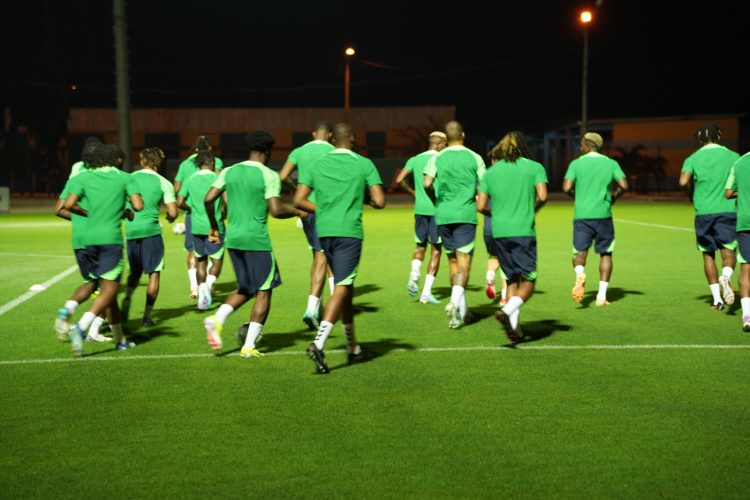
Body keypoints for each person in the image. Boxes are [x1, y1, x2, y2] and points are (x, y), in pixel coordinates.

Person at [294, 123, 385, 374]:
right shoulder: (364, 163)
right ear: (353, 139)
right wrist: (360, 198)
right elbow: (379, 201)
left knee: (347, 289)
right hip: (349, 233)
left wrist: (324, 210)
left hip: (324, 231)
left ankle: (353, 347)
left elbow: (298, 200)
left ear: (333, 139)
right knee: (342, 286)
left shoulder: (318, 164)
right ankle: (318, 343)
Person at [202, 131, 301, 358]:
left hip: (234, 239)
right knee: (264, 291)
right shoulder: (268, 175)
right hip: (256, 240)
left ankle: (216, 319)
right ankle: (248, 347)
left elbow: (208, 199)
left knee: (246, 288)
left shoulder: (229, 171)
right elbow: (276, 210)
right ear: (268, 151)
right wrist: (297, 210)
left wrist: (214, 226)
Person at [62, 143, 144, 356]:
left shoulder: (82, 177)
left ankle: (120, 341)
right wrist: (122, 210)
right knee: (110, 290)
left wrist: (88, 213)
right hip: (111, 239)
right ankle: (80, 327)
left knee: (106, 293)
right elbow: (138, 206)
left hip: (89, 239)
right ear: (116, 159)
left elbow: (68, 204)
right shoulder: (125, 177)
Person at [477, 131, 548, 344]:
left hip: (500, 232)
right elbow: (543, 196)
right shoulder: (535, 167)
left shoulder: (490, 172)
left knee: (512, 279)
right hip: (523, 231)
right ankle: (507, 311)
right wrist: (530, 210)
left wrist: (496, 215)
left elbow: (480, 206)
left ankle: (515, 330)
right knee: (529, 281)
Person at [423, 121, 486, 329]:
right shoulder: (474, 157)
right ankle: (454, 302)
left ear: (446, 139)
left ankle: (462, 312)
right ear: (463, 135)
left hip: (443, 214)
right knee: (464, 264)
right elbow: (484, 185)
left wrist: (437, 200)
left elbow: (426, 184)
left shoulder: (437, 157)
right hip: (465, 215)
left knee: (453, 264)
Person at [279, 121, 335, 328]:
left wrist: (297, 189)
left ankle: (320, 304)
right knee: (325, 256)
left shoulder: (299, 151)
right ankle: (313, 308)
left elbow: (283, 176)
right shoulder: (334, 151)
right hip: (325, 209)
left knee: (318, 254)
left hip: (305, 210)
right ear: (329, 135)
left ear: (313, 134)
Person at [53, 138, 110, 343]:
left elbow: (59, 209)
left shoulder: (75, 178)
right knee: (108, 285)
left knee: (92, 282)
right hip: (103, 236)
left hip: (79, 237)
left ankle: (66, 311)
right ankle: (92, 331)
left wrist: (79, 217)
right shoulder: (107, 177)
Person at [562, 132, 628, 306]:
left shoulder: (576, 164)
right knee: (606, 254)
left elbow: (566, 187)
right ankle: (601, 296)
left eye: (581, 143)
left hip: (582, 216)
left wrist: (578, 197)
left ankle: (580, 272)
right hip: (603, 215)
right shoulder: (610, 163)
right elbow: (624, 185)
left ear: (586, 144)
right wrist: (613, 197)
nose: (580, 146)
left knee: (579, 253)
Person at [679, 124, 740, 310]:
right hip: (727, 209)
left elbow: (683, 181)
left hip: (703, 211)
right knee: (728, 253)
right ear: (719, 136)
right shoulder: (733, 156)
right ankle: (727, 276)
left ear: (699, 140)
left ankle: (717, 300)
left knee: (708, 254)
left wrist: (691, 195)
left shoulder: (693, 158)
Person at [121, 147, 178, 326]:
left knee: (134, 272)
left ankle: (127, 301)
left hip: (131, 231)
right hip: (151, 232)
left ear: (142, 160)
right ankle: (146, 316)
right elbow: (173, 213)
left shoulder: (129, 178)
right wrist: (170, 217)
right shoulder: (164, 182)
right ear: (158, 162)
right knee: (154, 274)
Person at [394, 131, 446, 304]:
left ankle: (414, 275)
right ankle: (426, 293)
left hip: (420, 210)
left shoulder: (415, 159)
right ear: (440, 143)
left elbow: (400, 179)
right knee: (436, 250)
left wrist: (414, 194)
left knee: (420, 246)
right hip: (437, 210)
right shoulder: (441, 159)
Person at [173, 135, 224, 300]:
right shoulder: (217, 173)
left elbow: (177, 190)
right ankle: (208, 287)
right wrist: (224, 210)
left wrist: (193, 208)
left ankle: (195, 288)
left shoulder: (185, 167)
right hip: (213, 222)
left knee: (196, 255)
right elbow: (224, 196)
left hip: (193, 219)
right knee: (216, 259)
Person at [725, 151, 750, 330]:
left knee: (746, 269)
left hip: (745, 222)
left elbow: (727, 193)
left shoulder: (740, 162)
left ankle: (747, 316)